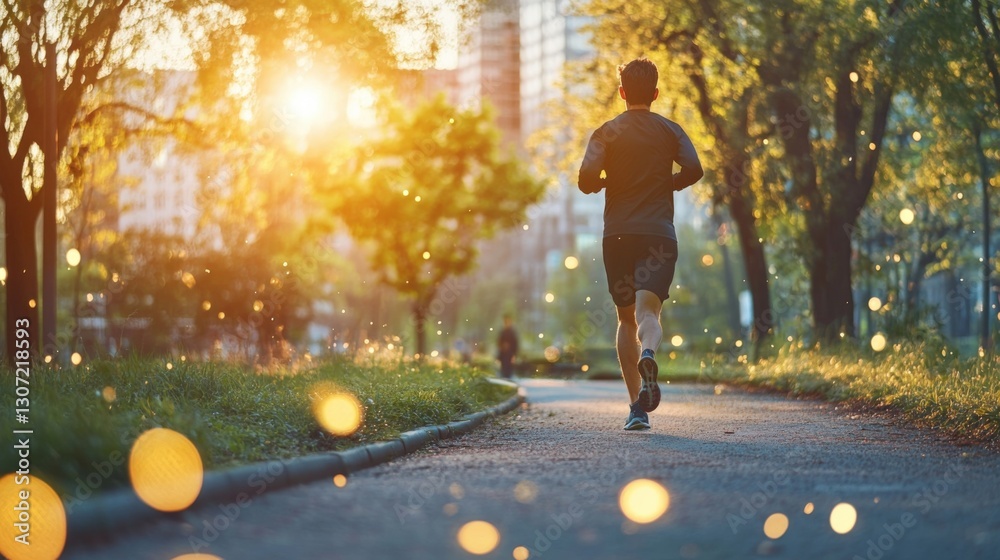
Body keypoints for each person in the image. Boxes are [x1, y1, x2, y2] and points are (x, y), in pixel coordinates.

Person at [578, 58, 704, 430]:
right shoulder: (670, 130)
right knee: (648, 315)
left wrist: (604, 182)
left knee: (624, 318)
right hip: (658, 234)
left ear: (622, 93)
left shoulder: (606, 132)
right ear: (655, 93)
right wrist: (669, 183)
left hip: (617, 234)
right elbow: (694, 169)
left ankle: (637, 409)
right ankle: (648, 351)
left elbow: (585, 179)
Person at [497, 314, 519, 379]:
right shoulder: (502, 332)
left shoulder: (513, 333)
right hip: (503, 356)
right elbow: (499, 343)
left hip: (510, 355)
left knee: (509, 371)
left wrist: (514, 355)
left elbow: (515, 344)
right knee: (503, 372)